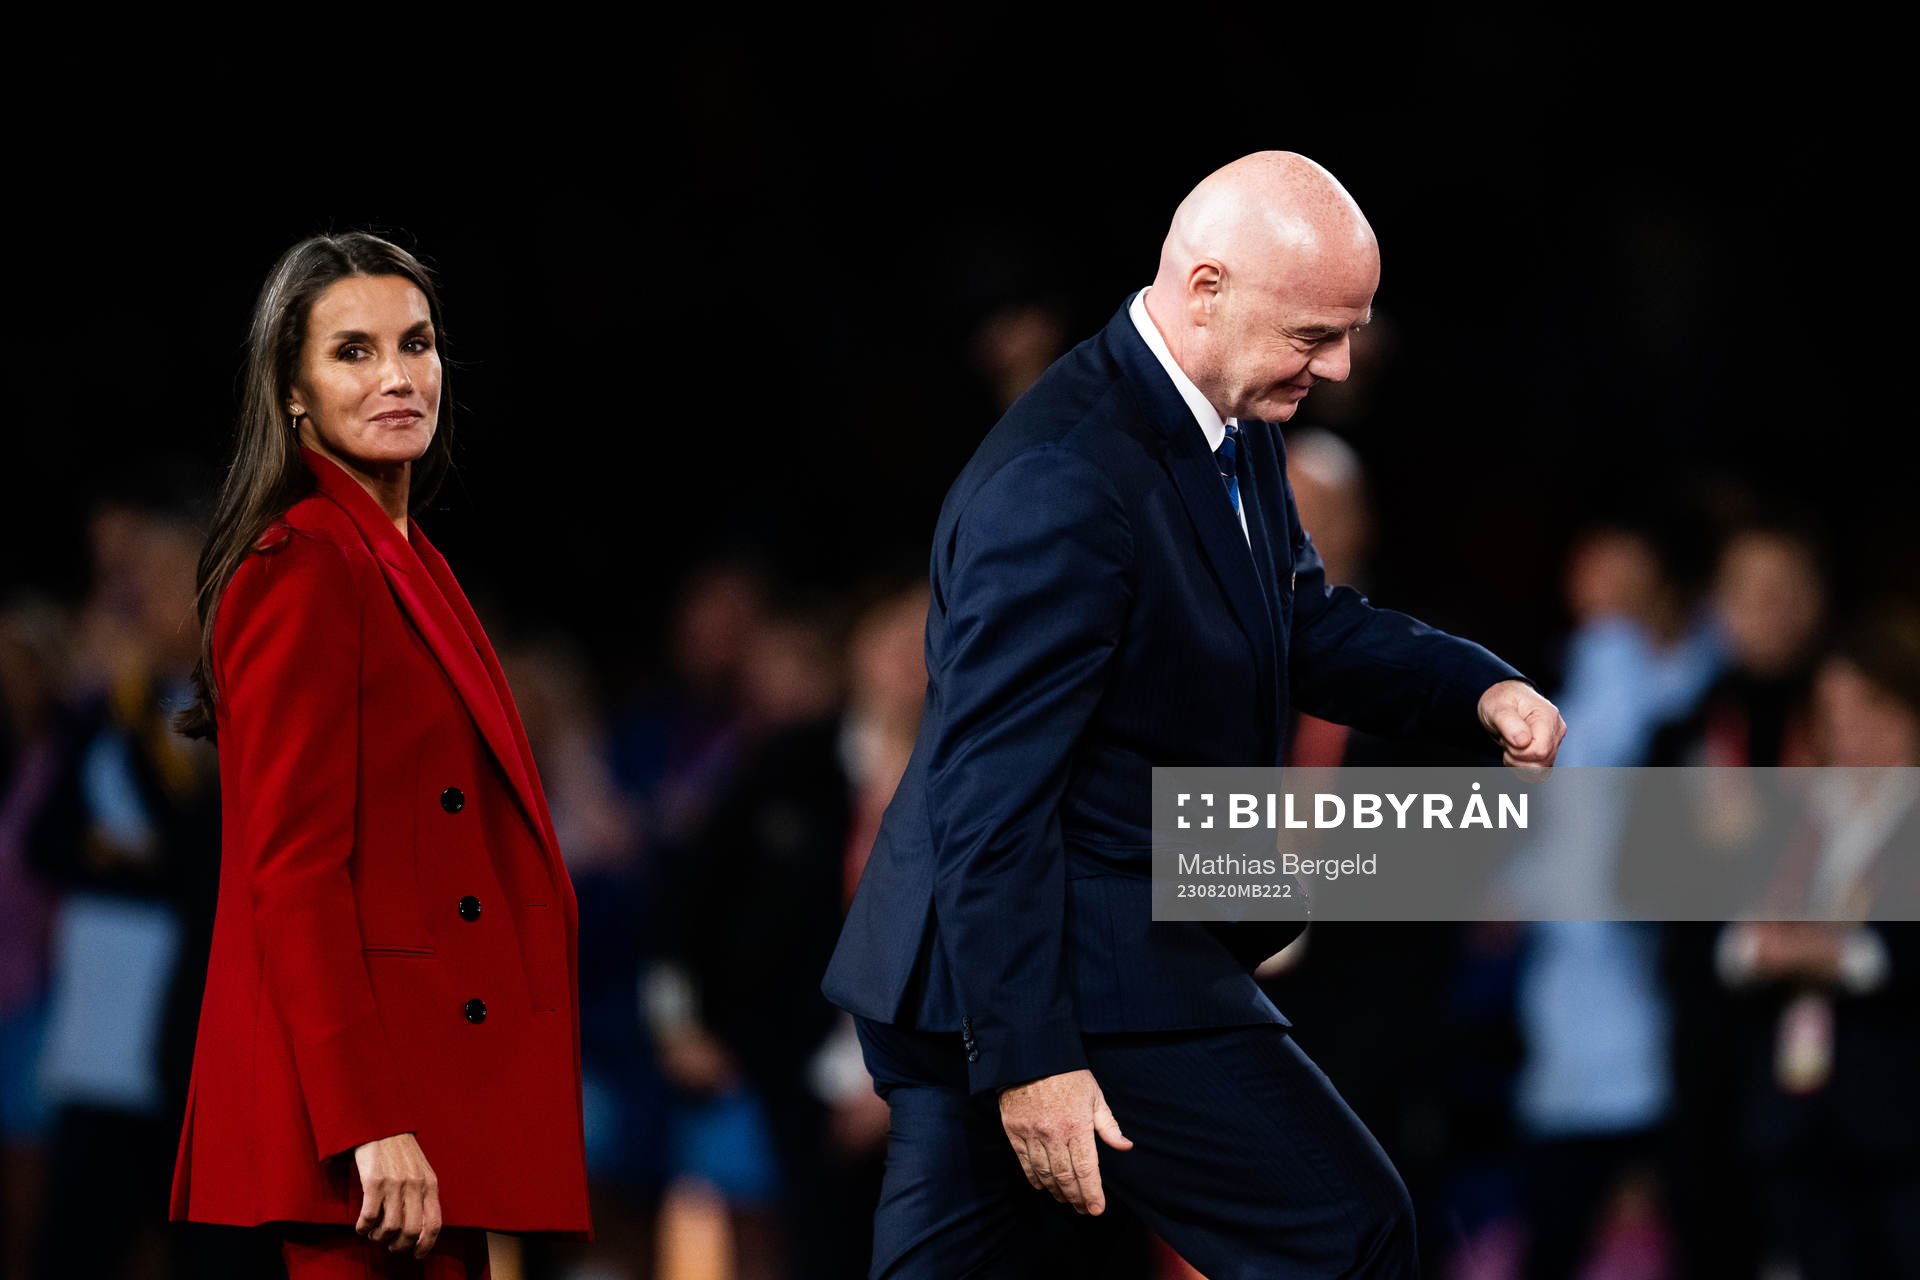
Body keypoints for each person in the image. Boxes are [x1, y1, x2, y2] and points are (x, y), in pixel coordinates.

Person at [821, 151, 1567, 1278]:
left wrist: (1473, 685)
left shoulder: (1222, 415)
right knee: (1349, 1232)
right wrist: (1032, 1056)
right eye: (1316, 335)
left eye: (1350, 331)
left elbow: (1298, 621)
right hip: (1074, 965)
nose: (1344, 363)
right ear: (1207, 289)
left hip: (1017, 959)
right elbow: (990, 788)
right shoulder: (1067, 476)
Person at [167, 232, 589, 1278]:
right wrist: (365, 1119)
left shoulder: (401, 557)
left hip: (432, 1097)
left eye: (418, 342)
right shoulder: (303, 561)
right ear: (294, 390)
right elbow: (295, 868)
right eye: (353, 350)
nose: (399, 374)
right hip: (372, 1123)